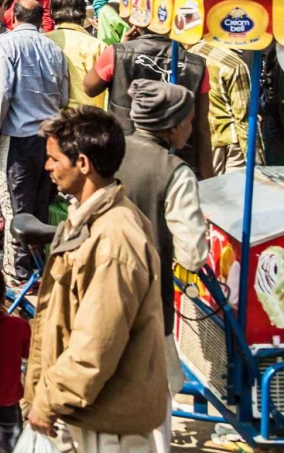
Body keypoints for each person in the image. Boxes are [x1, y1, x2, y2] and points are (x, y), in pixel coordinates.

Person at [24, 106, 167, 450]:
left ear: (83, 164)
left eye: (54, 159)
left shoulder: (114, 239)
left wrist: (49, 399)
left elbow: (95, 344)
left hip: (108, 426)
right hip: (88, 414)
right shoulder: (93, 221)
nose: (48, 168)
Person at [116, 80, 210, 453]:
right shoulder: (174, 172)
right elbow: (192, 254)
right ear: (173, 126)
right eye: (188, 121)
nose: (191, 128)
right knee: (153, 398)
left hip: (96, 288)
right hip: (148, 301)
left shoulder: (110, 150)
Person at [0, 0, 71, 283]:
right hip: (48, 139)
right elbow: (64, 97)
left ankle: (17, 273)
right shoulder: (54, 49)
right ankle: (36, 268)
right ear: (39, 20)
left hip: (17, 139)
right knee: (38, 206)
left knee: (16, 208)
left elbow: (0, 95)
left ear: (13, 16)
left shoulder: (5, 44)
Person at [82, 26, 210, 173]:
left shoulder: (116, 53)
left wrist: (123, 48)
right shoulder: (197, 65)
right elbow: (203, 127)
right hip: (176, 160)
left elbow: (89, 87)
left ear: (138, 25)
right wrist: (209, 178)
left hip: (125, 153)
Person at [191, 35, 253, 173]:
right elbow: (244, 119)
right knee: (233, 191)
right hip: (230, 142)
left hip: (203, 137)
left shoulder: (192, 54)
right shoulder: (234, 65)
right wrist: (256, 159)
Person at [46, 0, 107, 108]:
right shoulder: (97, 46)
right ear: (84, 13)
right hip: (88, 118)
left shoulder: (42, 42)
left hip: (51, 118)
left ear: (52, 13)